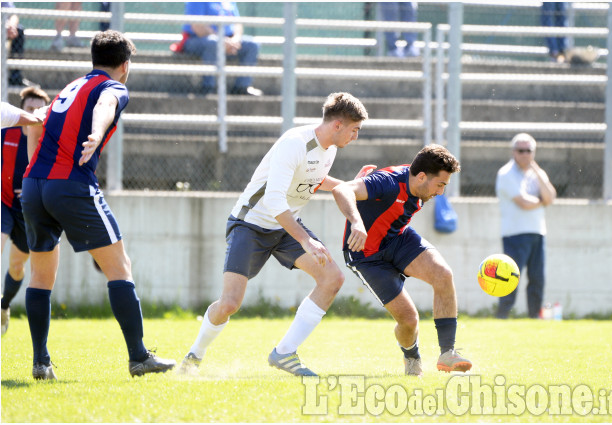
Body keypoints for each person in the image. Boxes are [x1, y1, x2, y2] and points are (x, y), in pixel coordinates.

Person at [20, 30, 176, 380]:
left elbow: (41, 119)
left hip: (32, 186)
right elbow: (106, 105)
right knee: (120, 265)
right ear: (125, 65)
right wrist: (95, 132)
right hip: (70, 184)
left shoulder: (69, 87)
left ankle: (41, 362)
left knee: (41, 275)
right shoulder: (114, 86)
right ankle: (139, 357)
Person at [178, 92, 368, 376]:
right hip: (250, 225)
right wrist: (306, 239)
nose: (356, 137)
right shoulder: (294, 143)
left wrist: (351, 185)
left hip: (285, 226)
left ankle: (284, 353)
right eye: (355, 130)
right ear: (338, 125)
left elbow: (313, 179)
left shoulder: (329, 149)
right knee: (229, 304)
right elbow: (274, 201)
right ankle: (195, 355)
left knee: (332, 278)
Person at [331, 144, 472, 376]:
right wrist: (356, 222)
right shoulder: (388, 182)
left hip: (397, 238)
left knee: (443, 274)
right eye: (440, 185)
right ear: (422, 176)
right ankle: (411, 356)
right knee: (409, 321)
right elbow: (341, 190)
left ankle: (447, 353)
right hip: (366, 255)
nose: (440, 192)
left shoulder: (419, 182)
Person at [1, 87, 50, 336]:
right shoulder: (6, 130)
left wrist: (34, 190)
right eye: (29, 108)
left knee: (17, 267)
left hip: (27, 210)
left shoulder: (48, 138)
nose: (34, 113)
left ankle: (4, 305)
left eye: (39, 109)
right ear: (21, 109)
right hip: (2, 202)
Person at [495, 133, 556, 319]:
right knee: (510, 278)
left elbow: (551, 197)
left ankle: (534, 316)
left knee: (537, 278)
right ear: (513, 152)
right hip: (515, 233)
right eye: (521, 151)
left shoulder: (538, 174)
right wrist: (542, 201)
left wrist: (536, 172)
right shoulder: (506, 173)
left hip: (538, 232)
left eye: (528, 151)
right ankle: (503, 316)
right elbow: (524, 202)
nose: (525, 155)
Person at [180, 2, 262, 95]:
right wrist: (221, 41)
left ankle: (242, 87)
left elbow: (237, 24)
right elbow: (198, 27)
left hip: (228, 41)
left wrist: (235, 40)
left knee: (252, 45)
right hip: (197, 40)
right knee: (213, 43)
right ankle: (208, 87)